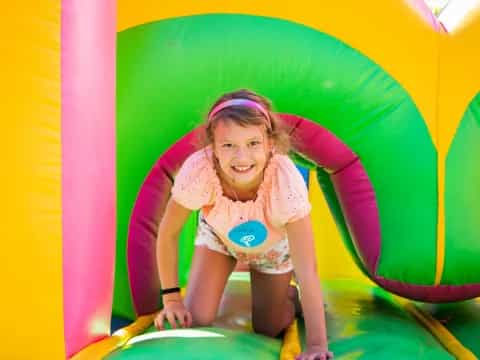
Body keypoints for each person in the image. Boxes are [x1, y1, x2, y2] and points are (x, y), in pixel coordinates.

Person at [154, 89, 333, 360]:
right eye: (228, 145)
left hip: (273, 249)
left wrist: (317, 346)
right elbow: (168, 233)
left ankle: (290, 299)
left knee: (268, 327)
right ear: (212, 146)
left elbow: (307, 268)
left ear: (270, 143)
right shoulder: (199, 172)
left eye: (253, 143)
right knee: (196, 317)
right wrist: (171, 299)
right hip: (219, 238)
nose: (241, 158)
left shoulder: (285, 183)